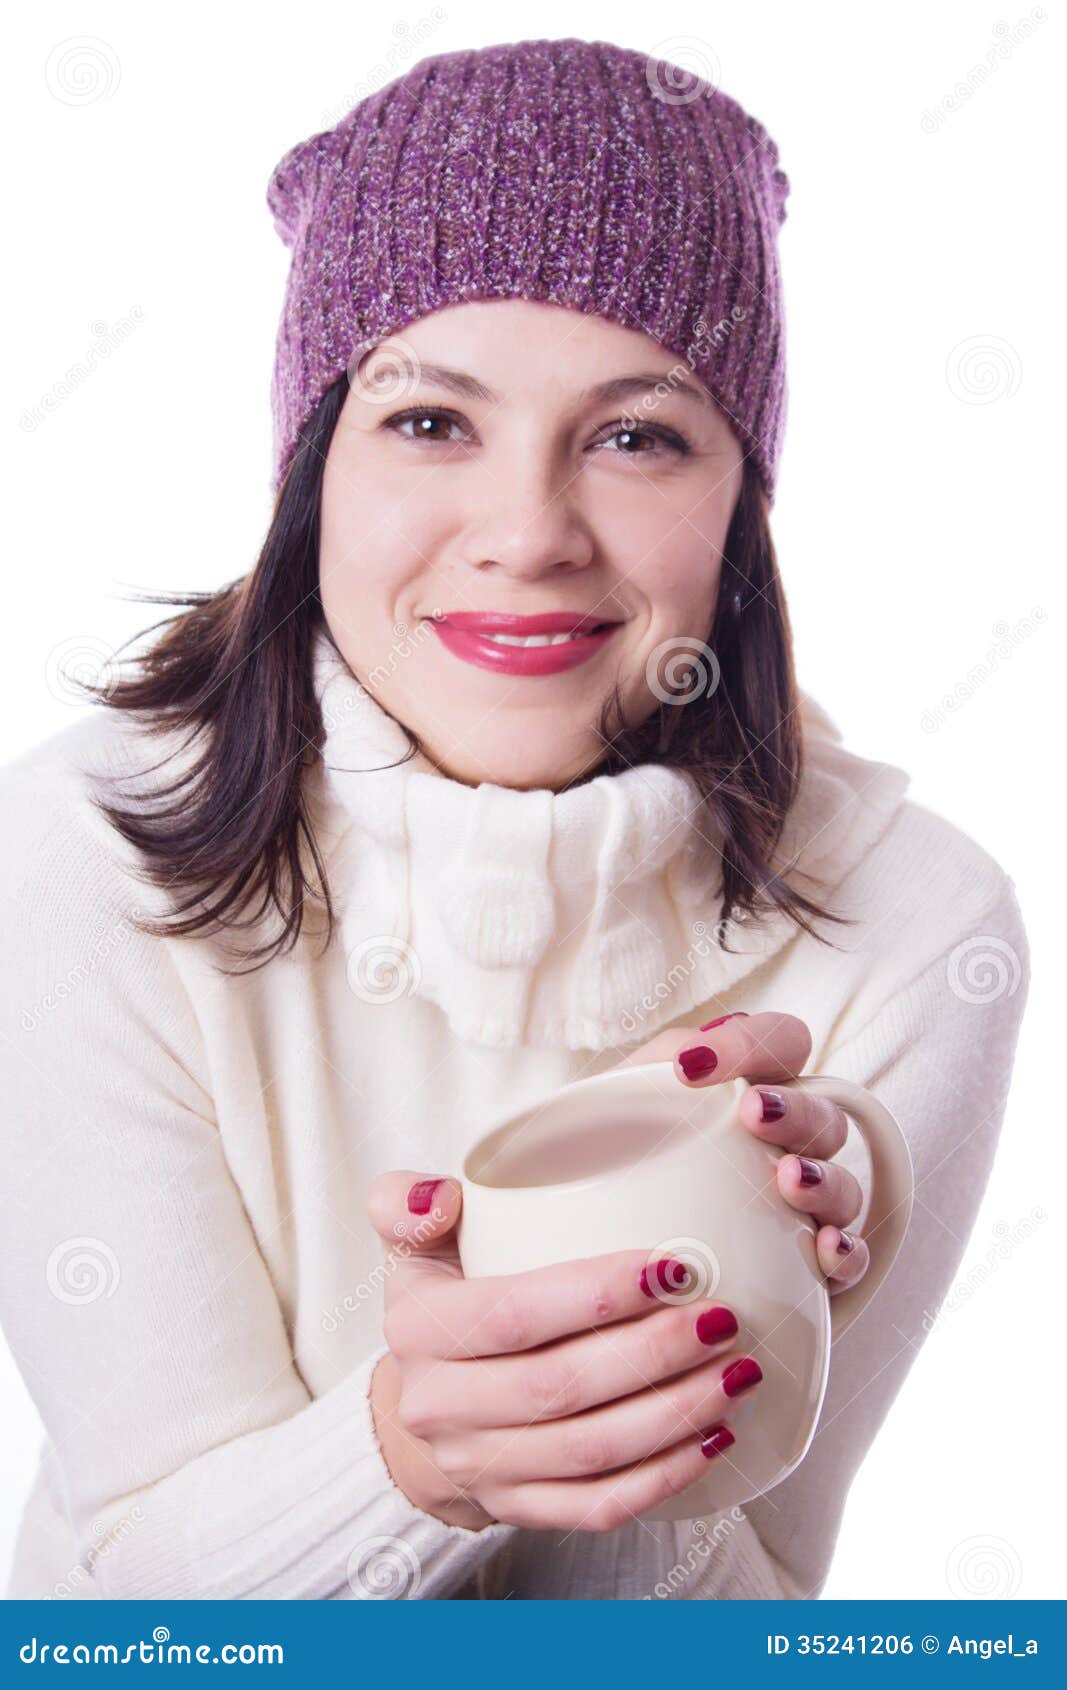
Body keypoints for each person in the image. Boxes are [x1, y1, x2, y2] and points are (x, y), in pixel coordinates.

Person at [0, 37, 1028, 1601]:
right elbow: (137, 1602)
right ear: (314, 464)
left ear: (743, 495)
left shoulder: (913, 928)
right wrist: (416, 1457)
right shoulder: (82, 854)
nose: (530, 534)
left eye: (637, 434)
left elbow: (758, 1619)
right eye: (430, 422)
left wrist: (685, 1395)